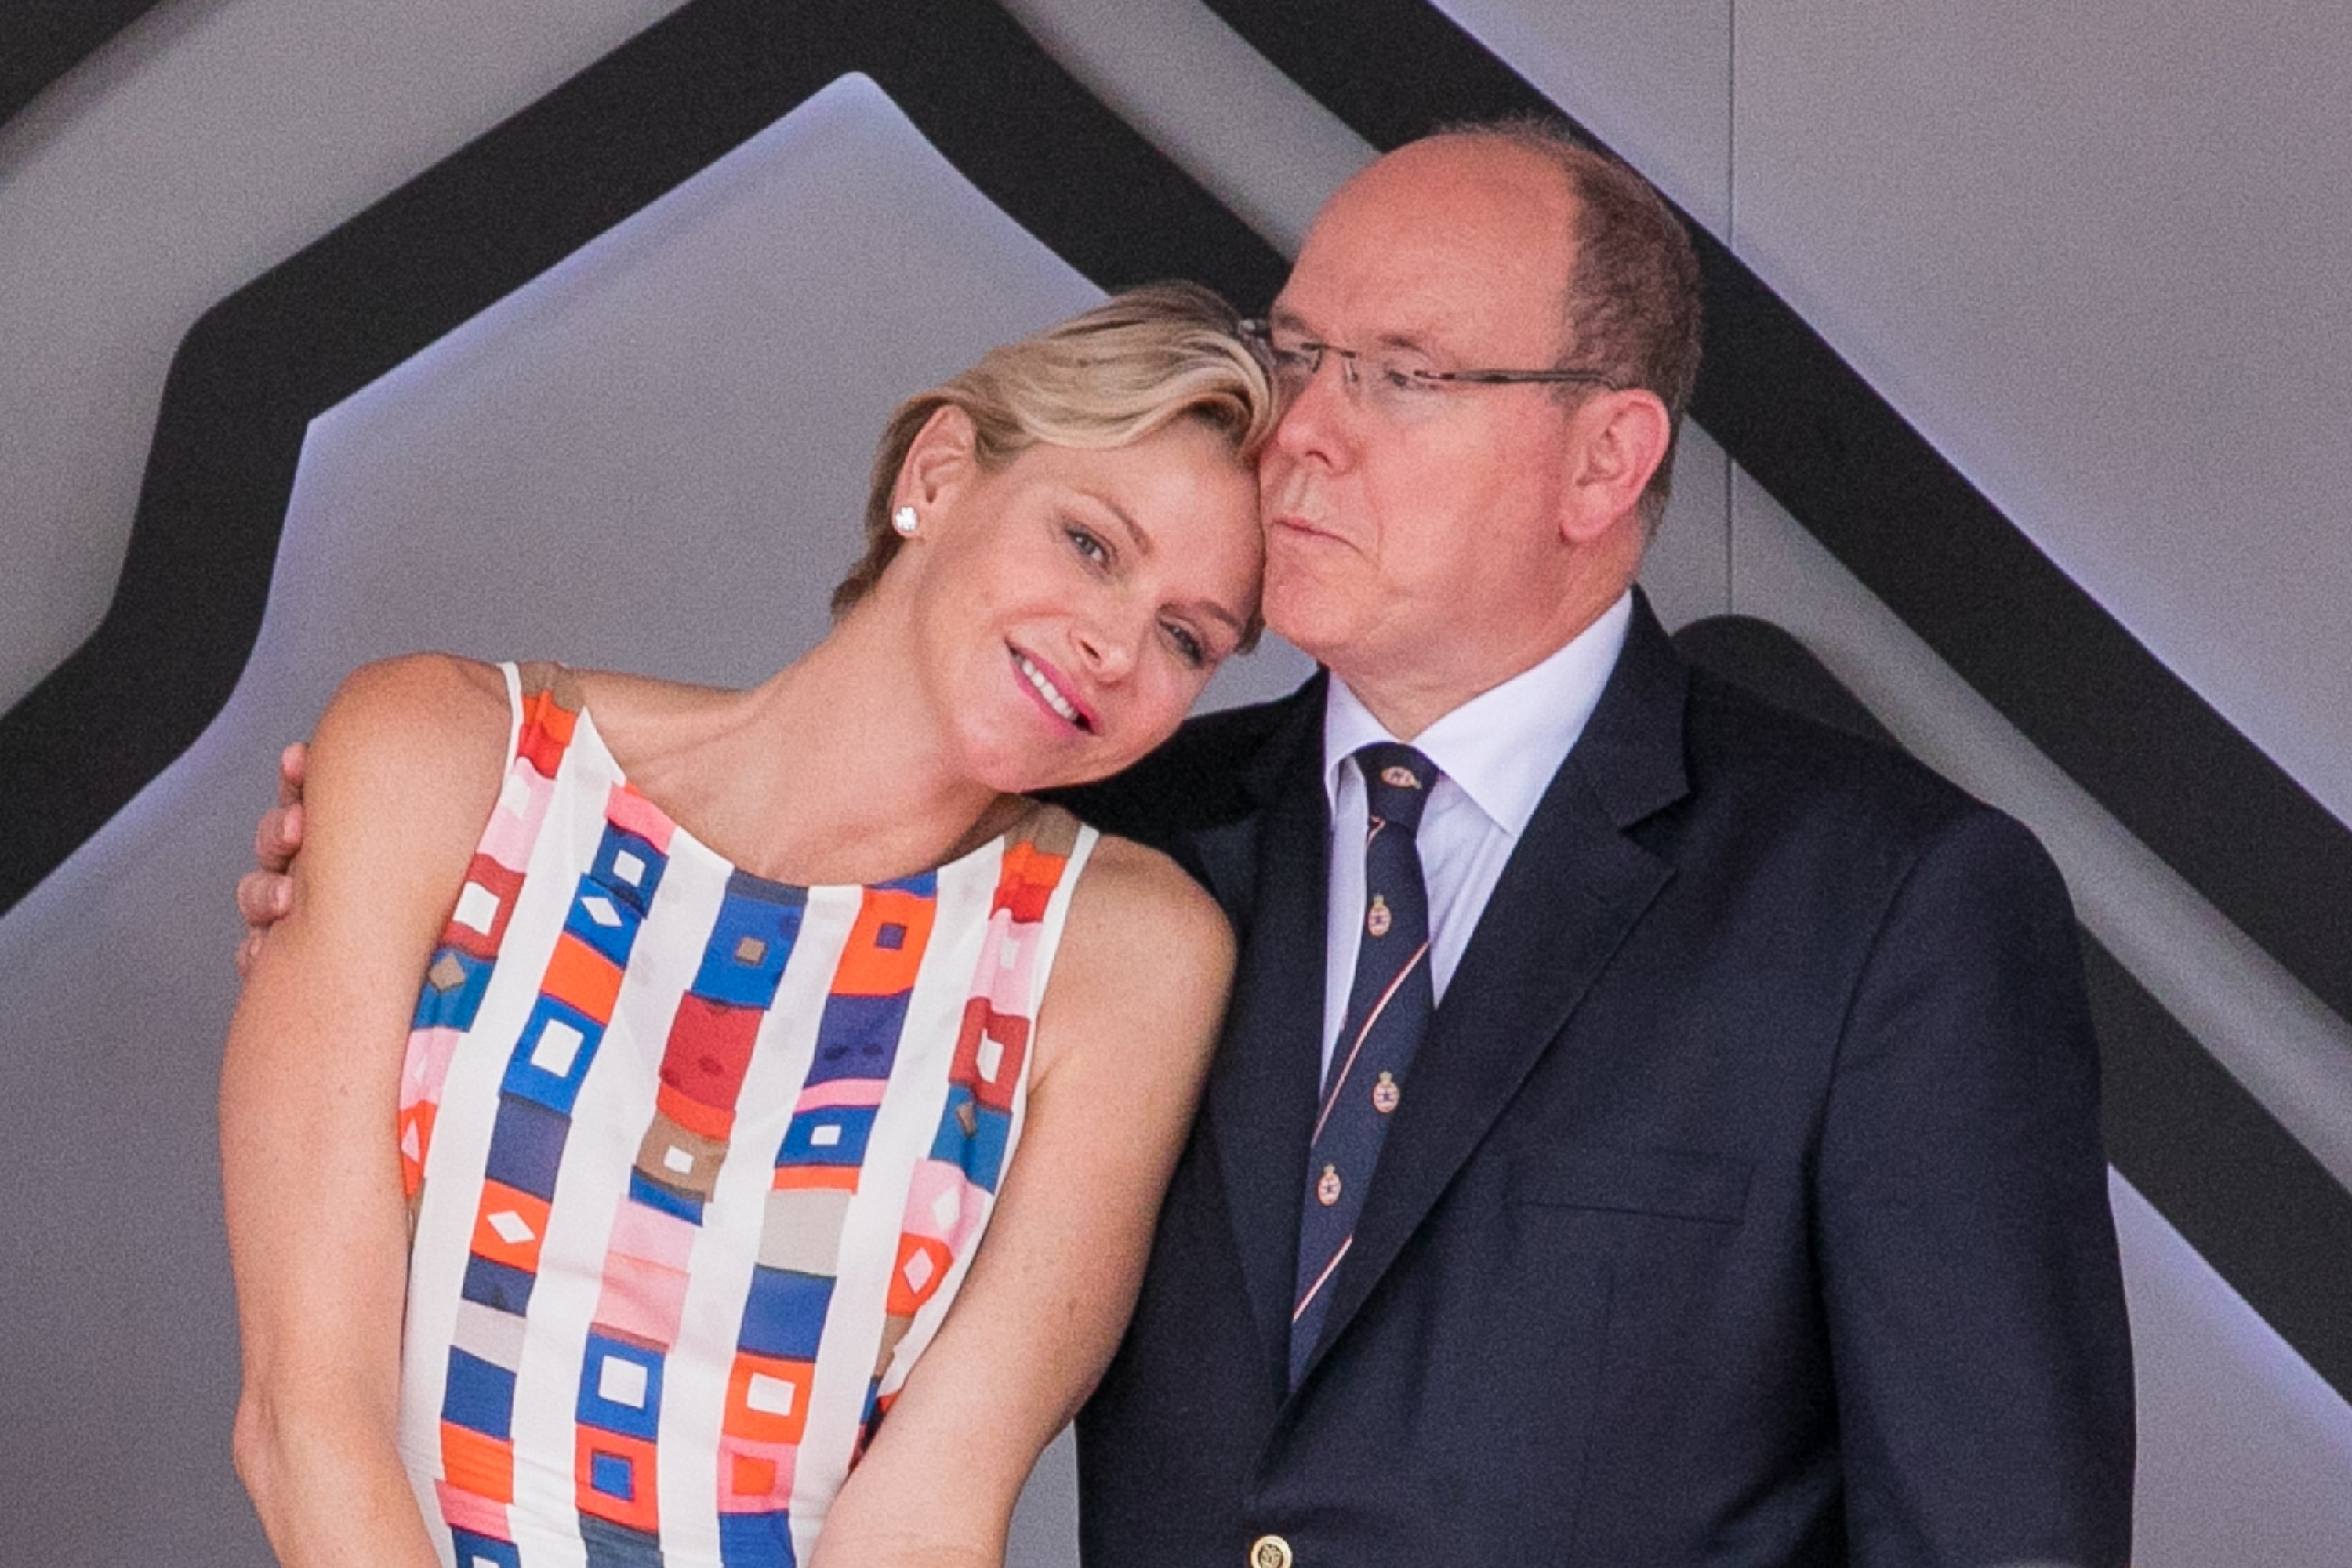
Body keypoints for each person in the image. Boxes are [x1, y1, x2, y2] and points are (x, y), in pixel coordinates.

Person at [242, 123, 2136, 1566]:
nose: (1305, 430)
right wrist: (408, 856)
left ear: (1607, 458)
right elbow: (745, 911)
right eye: (1303, 357)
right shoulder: (1111, 852)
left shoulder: (1888, 908)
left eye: (1398, 374)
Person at [220, 283, 1277, 1568]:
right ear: (939, 475)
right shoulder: (441, 755)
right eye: (1091, 545)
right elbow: (304, 1418)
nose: (1116, 643)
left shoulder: (1127, 957)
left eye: (1186, 637)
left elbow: (931, 1516)